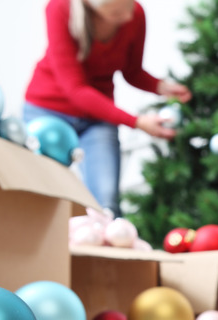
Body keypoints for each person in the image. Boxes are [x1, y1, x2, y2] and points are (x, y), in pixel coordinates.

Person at [24, 0, 191, 217]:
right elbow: (76, 90)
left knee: (106, 203)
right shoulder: (59, 8)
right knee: (39, 198)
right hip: (47, 111)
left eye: (129, 7)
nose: (128, 18)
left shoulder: (136, 13)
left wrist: (161, 86)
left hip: (98, 117)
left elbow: (132, 71)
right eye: (116, 13)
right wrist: (136, 122)